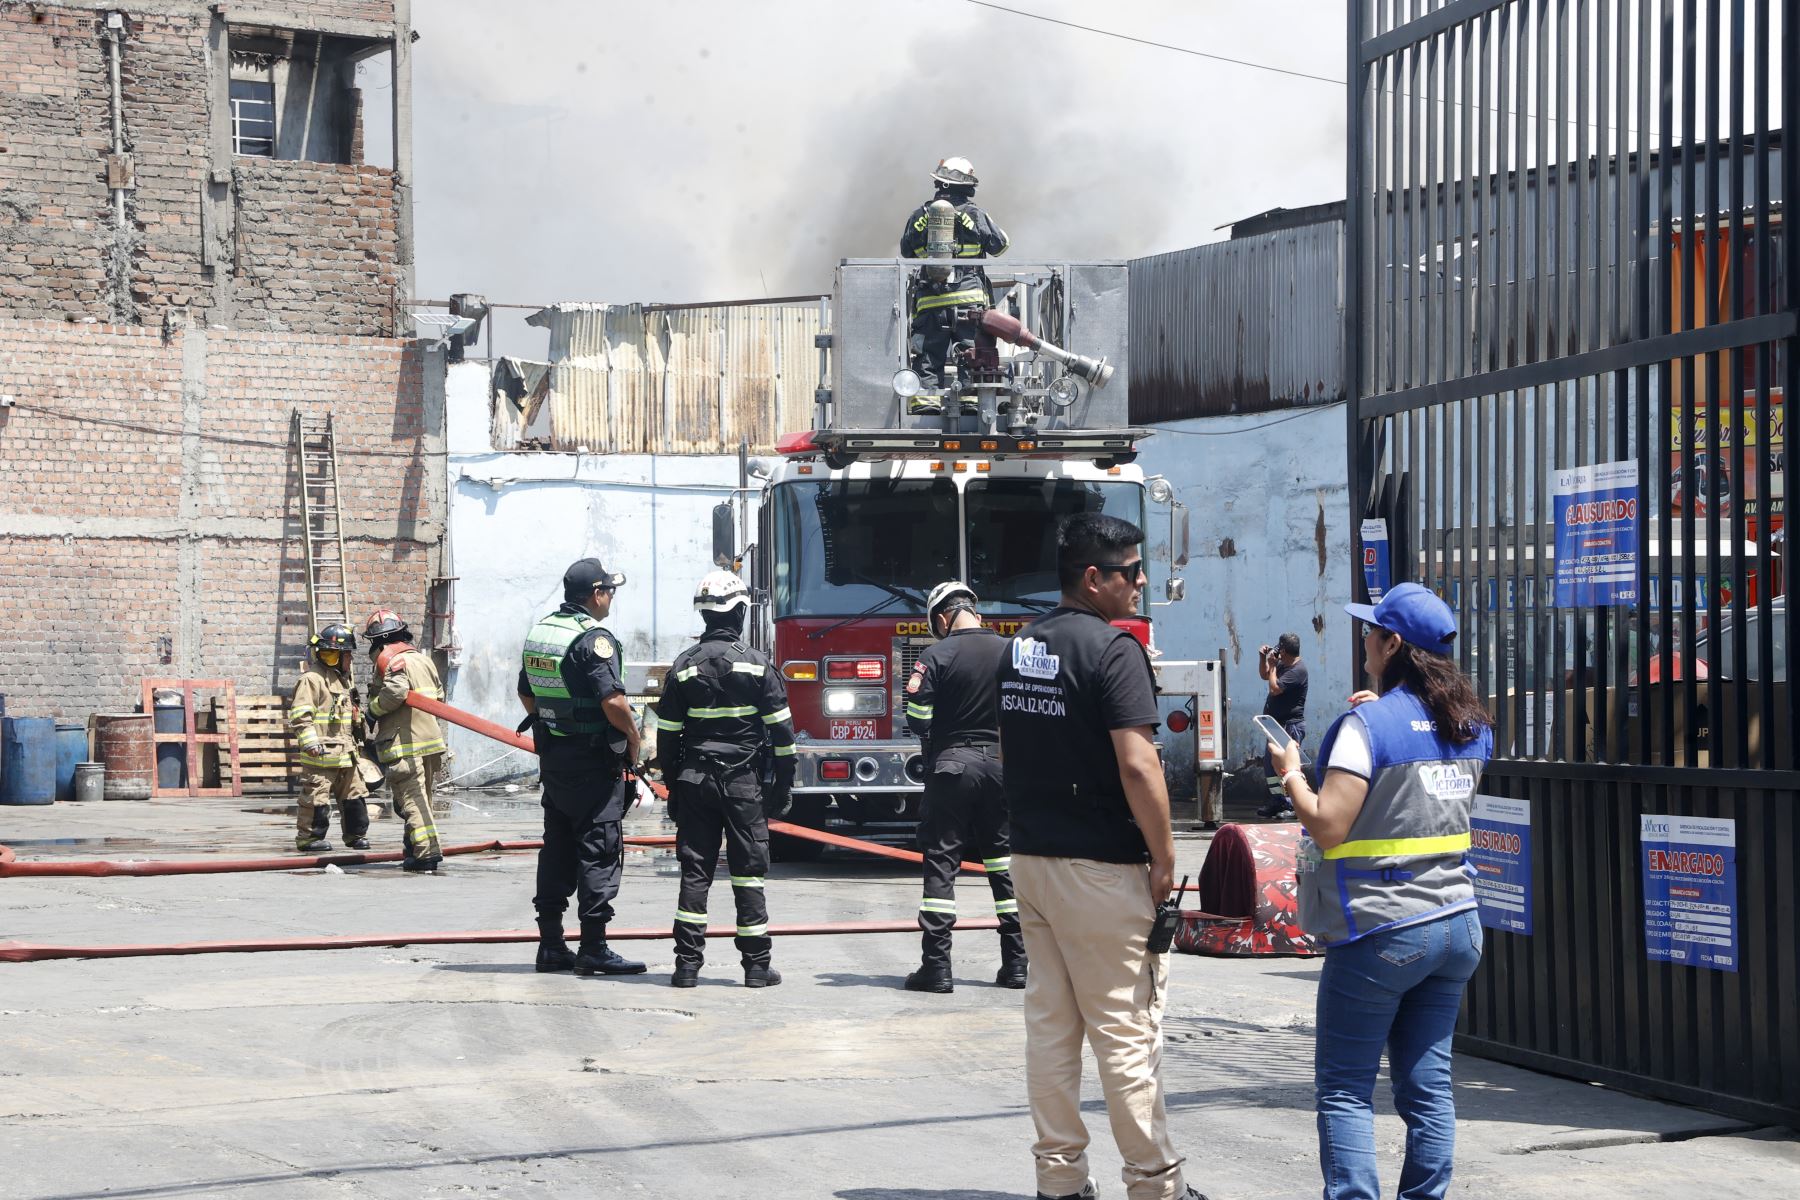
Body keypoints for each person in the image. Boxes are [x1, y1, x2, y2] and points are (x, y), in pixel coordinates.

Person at [996, 513, 1209, 1200]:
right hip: (1100, 869)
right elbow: (1139, 765)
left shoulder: (1023, 646)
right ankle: (1155, 1185)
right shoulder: (1113, 652)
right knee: (1125, 1033)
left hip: (1031, 861)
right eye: (1130, 572)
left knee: (1052, 1030)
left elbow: (1014, 750)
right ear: (1095, 579)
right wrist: (1165, 855)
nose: (1141, 582)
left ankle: (1059, 1184)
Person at [1267, 582, 1494, 1200]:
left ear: (1392, 644)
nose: (1364, 638)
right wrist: (1379, 710)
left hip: (1381, 929)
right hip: (1456, 922)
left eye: (1372, 631)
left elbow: (1330, 825)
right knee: (1429, 1088)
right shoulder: (1473, 725)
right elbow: (1417, 791)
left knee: (1344, 1087)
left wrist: (1291, 774)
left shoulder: (1367, 725)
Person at [653, 570, 796, 989]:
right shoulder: (756, 666)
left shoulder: (682, 669)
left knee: (695, 871)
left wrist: (674, 788)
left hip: (695, 781)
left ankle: (686, 967)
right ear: (738, 612)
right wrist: (782, 787)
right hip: (743, 785)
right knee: (748, 872)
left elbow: (667, 738)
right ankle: (756, 967)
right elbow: (783, 737)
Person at [517, 558, 647, 977]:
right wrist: (633, 738)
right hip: (593, 762)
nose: (611, 598)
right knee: (599, 848)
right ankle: (593, 946)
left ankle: (552, 945)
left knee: (557, 848)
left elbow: (527, 694)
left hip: (555, 760)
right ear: (595, 594)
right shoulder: (593, 640)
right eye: (609, 590)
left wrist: (556, 724)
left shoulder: (544, 633)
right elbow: (612, 702)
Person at [901, 580, 1025, 994]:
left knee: (941, 862)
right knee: (1004, 865)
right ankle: (1018, 965)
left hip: (952, 767)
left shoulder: (936, 654)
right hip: (1003, 766)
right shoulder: (1011, 651)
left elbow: (917, 716)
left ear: (941, 618)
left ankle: (936, 968)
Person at [899, 155, 1010, 409]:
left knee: (929, 355)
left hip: (930, 301)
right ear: (966, 185)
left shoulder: (921, 215)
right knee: (972, 352)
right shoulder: (975, 213)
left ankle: (927, 402)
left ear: (940, 183)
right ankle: (971, 401)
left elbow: (907, 251)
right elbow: (1001, 245)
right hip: (969, 303)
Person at [363, 609, 448, 873]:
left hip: (404, 744)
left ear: (379, 641)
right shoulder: (422, 660)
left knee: (411, 800)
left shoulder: (390, 659)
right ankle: (414, 849)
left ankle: (425, 855)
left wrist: (373, 710)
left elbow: (396, 691)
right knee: (423, 801)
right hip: (431, 742)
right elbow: (440, 697)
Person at [286, 623, 370, 853]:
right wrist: (310, 742)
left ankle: (355, 836)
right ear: (334, 655)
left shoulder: (341, 680)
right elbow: (301, 715)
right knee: (316, 799)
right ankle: (309, 839)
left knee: (355, 797)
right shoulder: (312, 680)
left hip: (345, 754)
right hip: (321, 755)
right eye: (348, 654)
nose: (351, 659)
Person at [1256, 631, 1309, 819]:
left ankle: (1293, 804)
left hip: (1290, 725)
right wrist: (1263, 659)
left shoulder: (1298, 670)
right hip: (1276, 725)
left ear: (1284, 651)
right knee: (1271, 765)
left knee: (1288, 765)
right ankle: (1277, 800)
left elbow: (1274, 688)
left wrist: (1272, 667)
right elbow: (1265, 675)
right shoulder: (1283, 664)